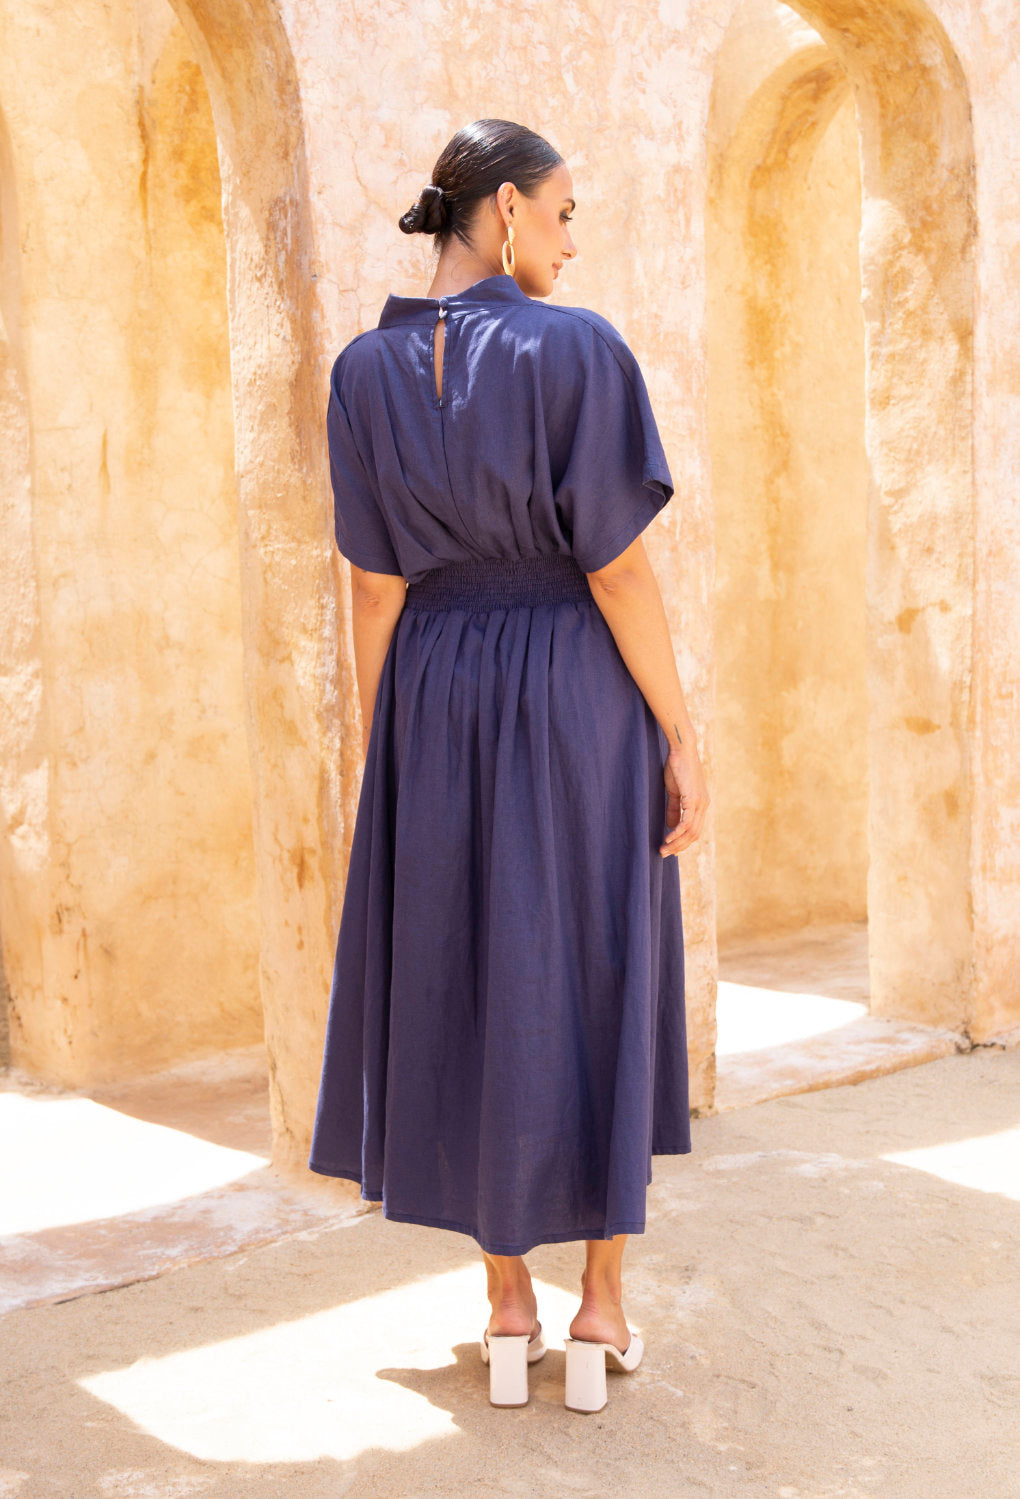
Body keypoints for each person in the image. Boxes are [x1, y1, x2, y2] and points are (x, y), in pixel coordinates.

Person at [308, 118, 709, 1414]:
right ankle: (601, 1305)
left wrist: (392, 743)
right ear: (504, 210)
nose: (570, 241)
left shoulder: (362, 372)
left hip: (433, 688)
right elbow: (618, 569)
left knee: (471, 965)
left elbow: (372, 589)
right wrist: (680, 729)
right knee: (596, 962)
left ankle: (506, 1307)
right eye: (563, 212)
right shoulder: (576, 348)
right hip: (572, 683)